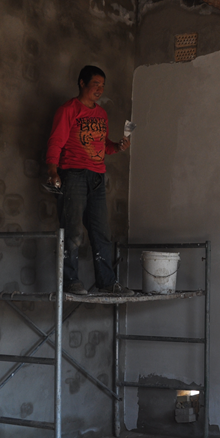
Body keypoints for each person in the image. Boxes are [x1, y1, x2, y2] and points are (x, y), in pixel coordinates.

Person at [46, 65, 133, 296]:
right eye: (96, 84)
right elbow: (55, 141)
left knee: (101, 231)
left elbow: (103, 146)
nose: (100, 89)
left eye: (103, 85)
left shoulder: (101, 114)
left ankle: (107, 282)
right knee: (72, 230)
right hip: (73, 173)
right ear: (82, 83)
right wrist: (53, 171)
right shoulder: (68, 110)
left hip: (97, 176)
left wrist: (118, 146)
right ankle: (70, 281)